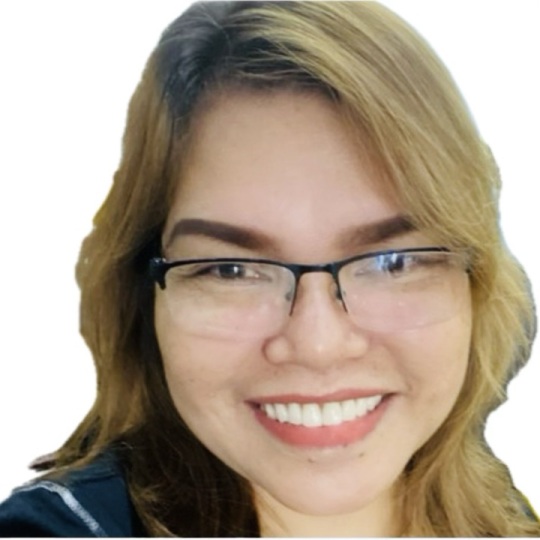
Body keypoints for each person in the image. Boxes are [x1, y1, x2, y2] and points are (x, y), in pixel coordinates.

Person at [0, 1, 538, 536]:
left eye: (391, 262)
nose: (318, 345)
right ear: (144, 296)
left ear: (477, 283)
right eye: (230, 270)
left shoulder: (505, 519)